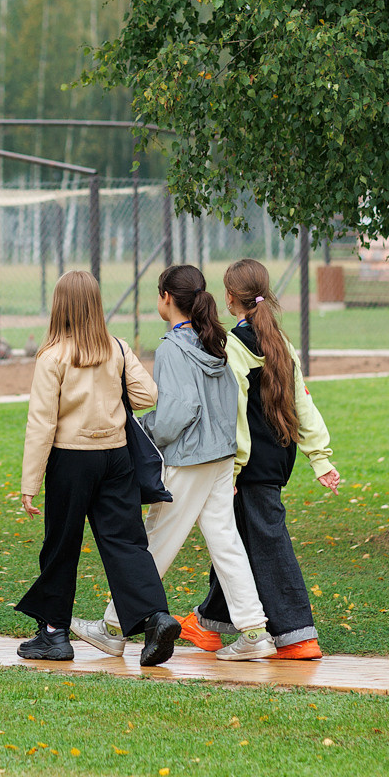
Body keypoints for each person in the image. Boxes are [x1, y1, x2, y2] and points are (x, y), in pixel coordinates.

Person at [69, 264, 274, 663]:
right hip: (219, 456)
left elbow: (179, 411)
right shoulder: (212, 339)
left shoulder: (172, 348)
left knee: (154, 542)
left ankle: (113, 628)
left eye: (157, 293)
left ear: (167, 298)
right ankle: (255, 631)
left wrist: (143, 429)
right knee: (225, 543)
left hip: (190, 458)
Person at [15, 270, 183, 667]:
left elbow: (42, 423)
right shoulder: (117, 347)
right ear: (95, 305)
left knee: (61, 545)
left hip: (70, 457)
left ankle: (54, 635)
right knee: (125, 542)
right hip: (116, 456)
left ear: (60, 307)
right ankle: (155, 617)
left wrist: (30, 482)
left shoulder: (52, 356)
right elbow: (148, 394)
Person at [183, 258, 342, 659]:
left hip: (248, 467)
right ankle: (209, 623)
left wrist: (233, 467)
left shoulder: (234, 346)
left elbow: (235, 411)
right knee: (234, 539)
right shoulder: (281, 343)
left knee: (267, 542)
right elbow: (303, 404)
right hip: (276, 458)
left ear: (230, 297)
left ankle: (296, 635)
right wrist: (319, 458)